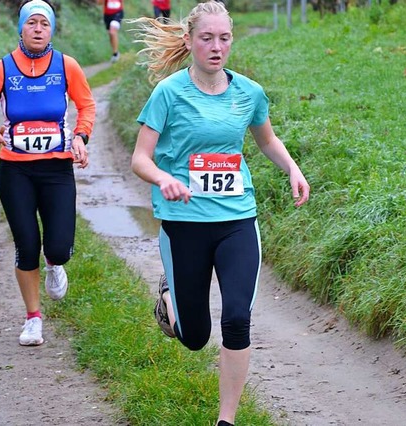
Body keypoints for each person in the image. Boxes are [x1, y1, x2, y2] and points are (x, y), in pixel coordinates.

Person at [128, 2, 310, 425]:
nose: (216, 46)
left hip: (236, 220)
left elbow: (266, 140)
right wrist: (162, 179)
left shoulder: (249, 92)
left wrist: (293, 169)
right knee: (195, 338)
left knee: (236, 319)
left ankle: (225, 420)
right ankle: (170, 297)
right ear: (189, 41)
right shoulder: (168, 93)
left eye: (223, 38)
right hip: (184, 223)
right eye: (207, 38)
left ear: (232, 40)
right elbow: (141, 158)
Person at [0, 0, 95, 346]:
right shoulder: (1, 70)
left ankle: (55, 263)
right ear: (20, 28)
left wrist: (81, 137)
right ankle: (33, 319)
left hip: (57, 168)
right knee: (26, 244)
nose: (38, 29)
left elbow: (86, 106)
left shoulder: (67, 66)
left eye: (44, 24)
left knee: (59, 246)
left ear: (51, 29)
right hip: (15, 172)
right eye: (31, 23)